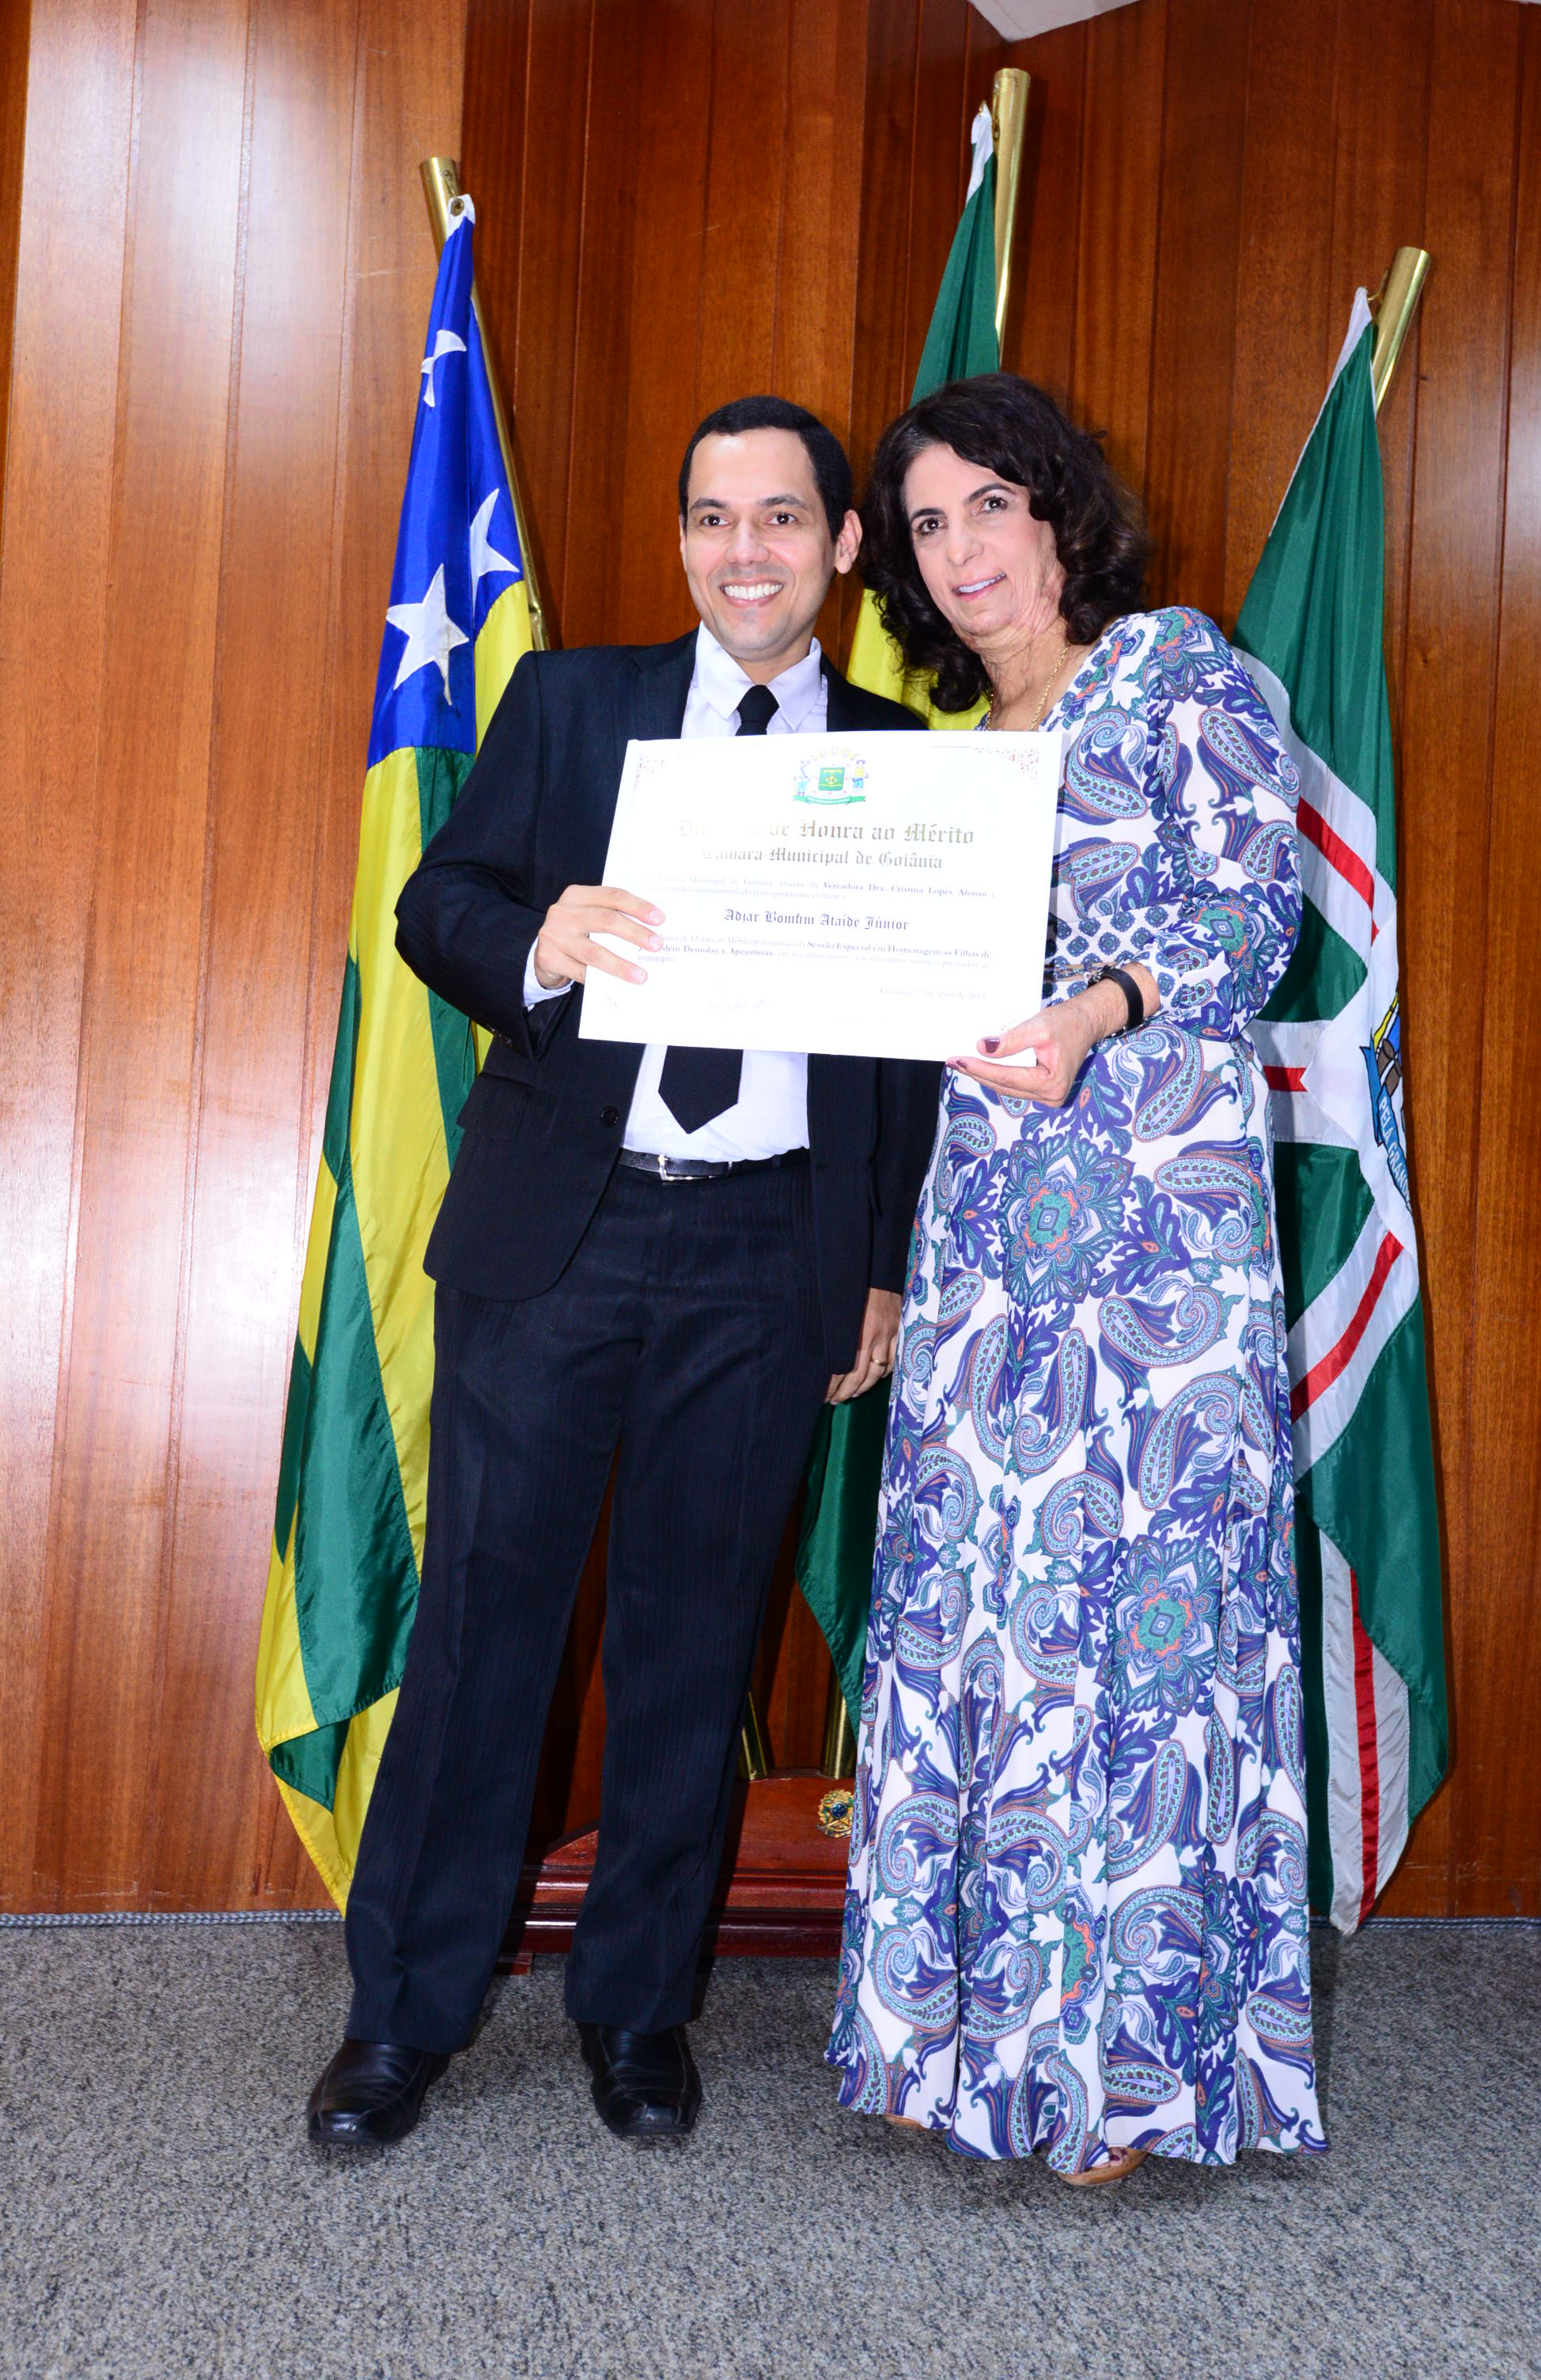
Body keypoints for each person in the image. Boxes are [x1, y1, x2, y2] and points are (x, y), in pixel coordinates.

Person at [308, 395, 937, 2151]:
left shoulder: (903, 763)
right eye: (713, 517)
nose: (746, 549)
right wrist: (536, 938)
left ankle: (638, 2011)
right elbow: (435, 903)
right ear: (681, 542)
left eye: (781, 517)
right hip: (557, 1238)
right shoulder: (573, 703)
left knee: (692, 1641)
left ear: (841, 546)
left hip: (767, 1250)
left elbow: (905, 1056)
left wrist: (878, 1267)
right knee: (481, 1629)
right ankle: (402, 2015)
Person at [827, 373, 1325, 2180]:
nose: (964, 548)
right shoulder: (943, 756)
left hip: (1153, 1242)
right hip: (982, 1231)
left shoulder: (1175, 672)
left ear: (1056, 514)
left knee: (1134, 1615)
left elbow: (1248, 917)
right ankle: (955, 2039)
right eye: (928, 521)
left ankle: (1122, 2072)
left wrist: (1094, 1009)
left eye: (992, 504)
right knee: (977, 1601)